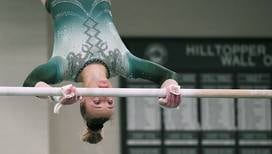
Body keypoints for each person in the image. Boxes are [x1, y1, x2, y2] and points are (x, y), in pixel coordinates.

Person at [23, 0, 182, 144]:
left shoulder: (64, 67)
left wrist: (56, 94)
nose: (106, 96)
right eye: (110, 102)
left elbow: (30, 83)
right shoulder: (124, 64)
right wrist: (171, 90)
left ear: (82, 99)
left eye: (97, 102)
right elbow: (168, 76)